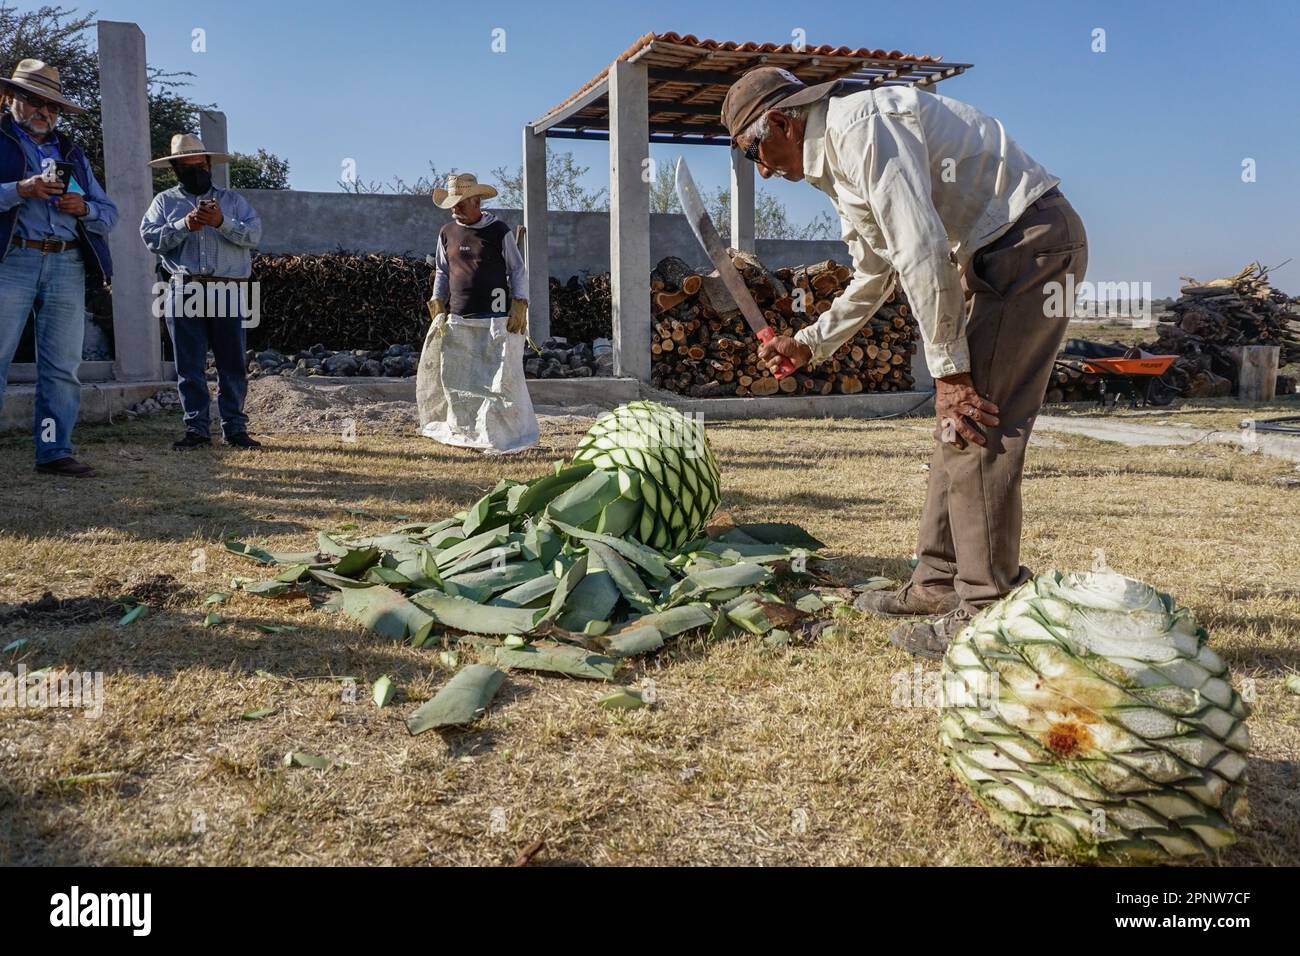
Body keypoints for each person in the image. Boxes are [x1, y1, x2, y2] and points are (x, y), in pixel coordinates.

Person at [722, 67, 1088, 658]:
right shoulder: (834, 161)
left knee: (977, 423)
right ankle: (936, 583)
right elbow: (875, 271)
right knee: (958, 427)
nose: (760, 170)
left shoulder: (863, 128)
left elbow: (920, 252)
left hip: (1032, 248)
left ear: (783, 124)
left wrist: (950, 371)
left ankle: (986, 609)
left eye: (753, 152)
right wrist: (809, 342)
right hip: (1000, 253)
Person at [0, 59, 117, 477]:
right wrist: (20, 189)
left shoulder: (71, 153)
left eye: (51, 105)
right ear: (9, 97)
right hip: (12, 259)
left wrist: (82, 207)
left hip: (67, 262)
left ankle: (54, 452)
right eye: (33, 100)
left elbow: (109, 214)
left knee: (62, 365)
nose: (43, 111)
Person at [140, 133, 264, 450]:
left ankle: (234, 429)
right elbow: (151, 239)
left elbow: (253, 235)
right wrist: (184, 225)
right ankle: (196, 430)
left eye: (200, 164)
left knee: (232, 364)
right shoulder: (164, 202)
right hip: (184, 289)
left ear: (209, 164)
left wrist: (222, 222)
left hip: (228, 288)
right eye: (187, 166)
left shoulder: (234, 201)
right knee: (189, 365)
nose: (195, 170)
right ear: (175, 168)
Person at [417, 172, 536, 453]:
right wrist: (437, 299)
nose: (455, 209)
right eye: (452, 204)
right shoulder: (447, 233)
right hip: (459, 317)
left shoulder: (499, 231)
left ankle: (500, 432)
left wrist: (520, 301)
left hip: (494, 317)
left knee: (497, 379)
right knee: (458, 378)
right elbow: (443, 271)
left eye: (460, 203)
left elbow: (517, 269)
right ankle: (465, 429)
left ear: (477, 201)